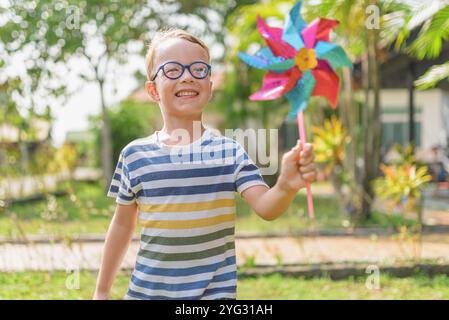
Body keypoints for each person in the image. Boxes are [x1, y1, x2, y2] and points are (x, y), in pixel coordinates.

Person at [93, 29, 317, 300]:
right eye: (173, 70)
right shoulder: (134, 156)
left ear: (210, 86)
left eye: (199, 69)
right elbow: (121, 226)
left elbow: (266, 208)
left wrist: (285, 186)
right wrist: (102, 290)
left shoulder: (229, 152)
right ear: (153, 89)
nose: (187, 76)